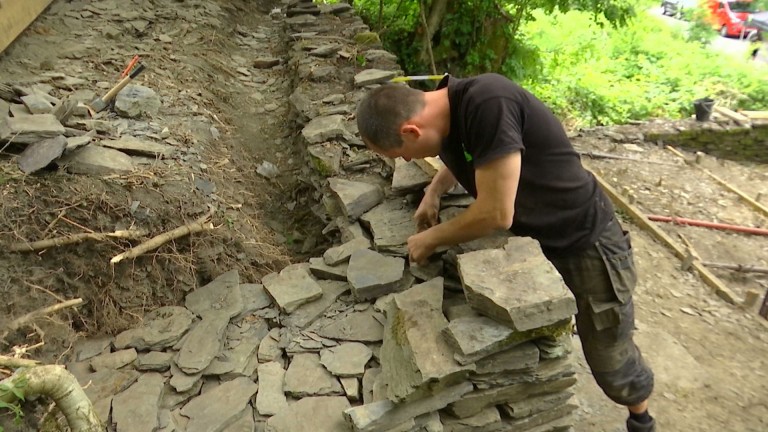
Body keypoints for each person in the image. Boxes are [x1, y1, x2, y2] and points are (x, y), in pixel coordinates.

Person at [356, 73, 656, 432]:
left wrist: (431, 239)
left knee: (609, 357)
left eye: (401, 154)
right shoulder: (445, 107)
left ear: (411, 131)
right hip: (539, 237)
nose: (405, 162)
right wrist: (434, 191)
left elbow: (496, 214)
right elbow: (468, 152)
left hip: (585, 242)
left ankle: (641, 417)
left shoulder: (488, 103)